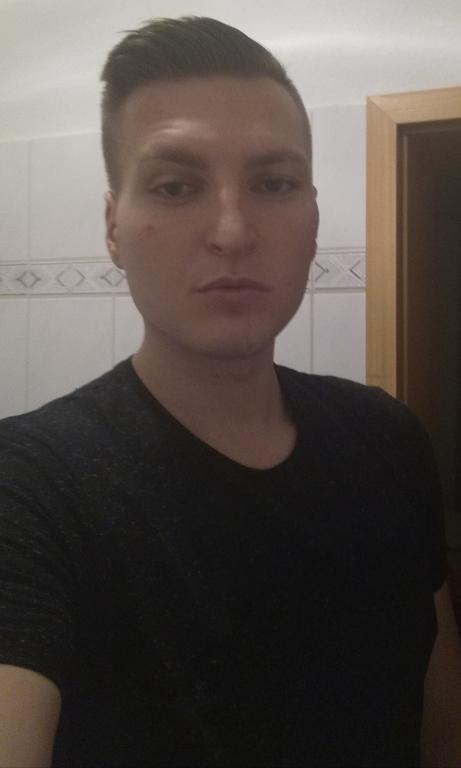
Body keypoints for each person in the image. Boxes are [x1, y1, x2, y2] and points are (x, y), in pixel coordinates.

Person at [0, 15, 460, 768]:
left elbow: (442, 726)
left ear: (313, 217)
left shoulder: (388, 438)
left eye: (273, 184)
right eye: (175, 186)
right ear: (114, 227)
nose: (232, 231)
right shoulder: (28, 486)